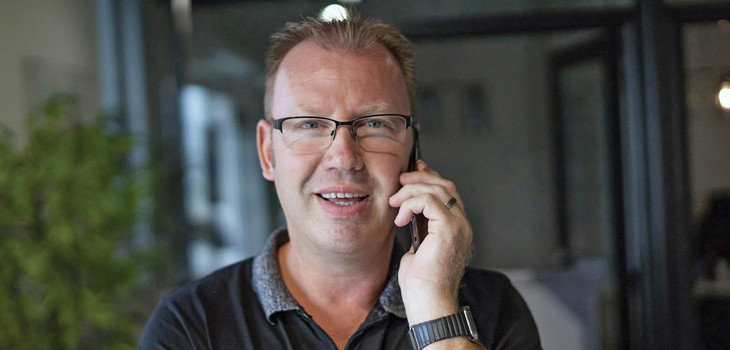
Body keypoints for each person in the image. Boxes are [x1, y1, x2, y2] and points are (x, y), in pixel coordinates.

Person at [140, 12, 541, 350]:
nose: (344, 157)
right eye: (310, 124)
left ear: (412, 150)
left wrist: (436, 310)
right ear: (267, 152)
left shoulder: (493, 307)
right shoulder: (190, 326)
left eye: (374, 124)